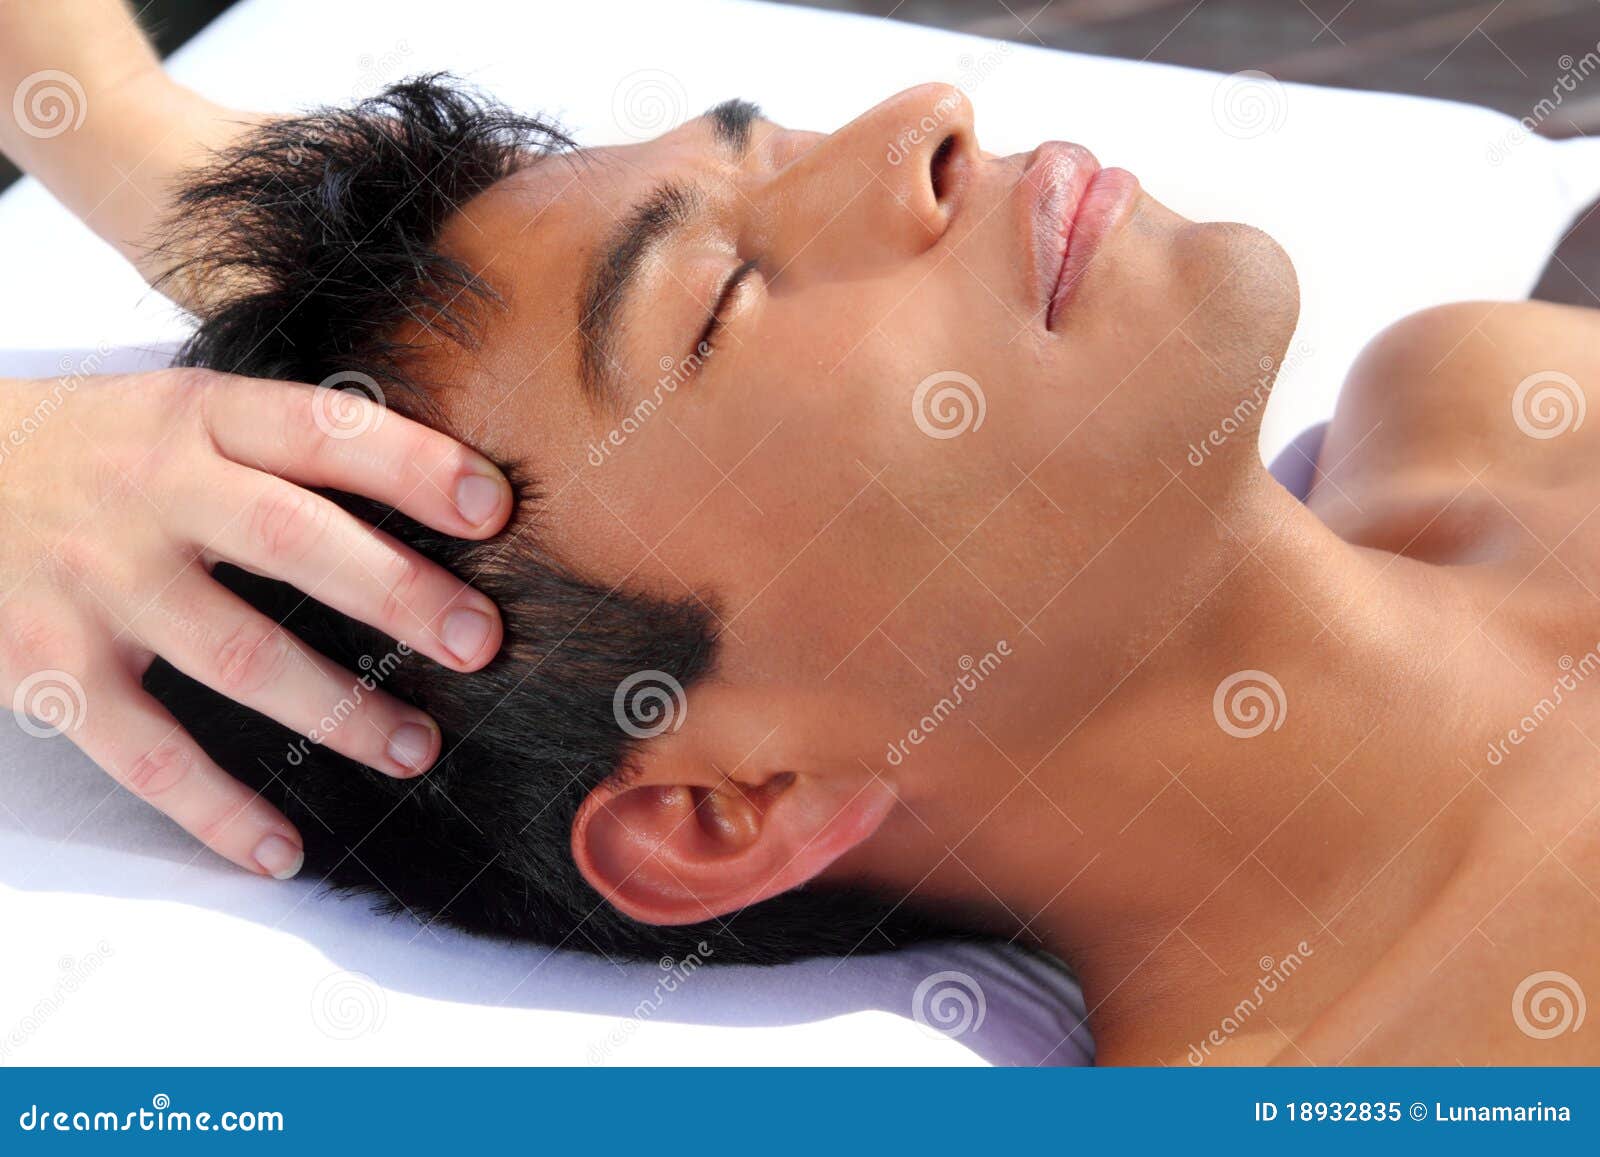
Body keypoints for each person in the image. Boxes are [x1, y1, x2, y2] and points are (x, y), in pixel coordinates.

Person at [4, 1, 1597, 1065]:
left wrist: (119, 122)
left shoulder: (1483, 396)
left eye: (776, 152)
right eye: (723, 301)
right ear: (721, 807)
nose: (928, 116)